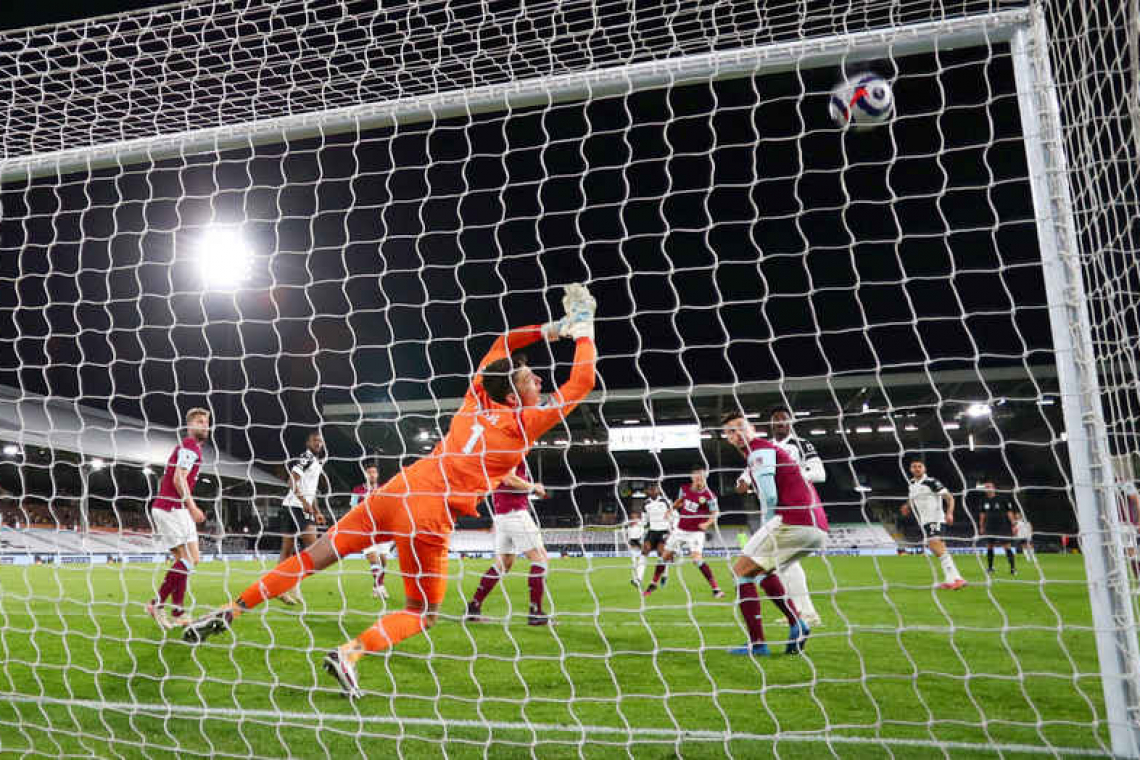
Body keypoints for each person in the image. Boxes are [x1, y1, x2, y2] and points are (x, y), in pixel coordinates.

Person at [183, 284, 597, 700]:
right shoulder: (525, 423)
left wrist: (554, 329)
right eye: (531, 377)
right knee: (423, 612)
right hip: (429, 514)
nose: (540, 379)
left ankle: (231, 609)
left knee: (312, 557)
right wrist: (584, 331)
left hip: (397, 490)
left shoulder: (477, 394)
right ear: (512, 395)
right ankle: (349, 653)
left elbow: (501, 342)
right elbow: (582, 380)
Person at [721, 410, 827, 656]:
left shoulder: (759, 450)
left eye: (740, 427)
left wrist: (768, 525)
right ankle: (797, 624)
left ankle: (759, 644)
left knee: (740, 572)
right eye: (730, 431)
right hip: (816, 526)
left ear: (753, 429)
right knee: (762, 571)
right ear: (727, 438)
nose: (736, 433)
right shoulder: (765, 451)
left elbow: (769, 495)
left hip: (794, 521)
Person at [464, 460, 553, 625]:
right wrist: (533, 487)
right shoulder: (514, 451)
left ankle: (473, 607)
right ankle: (536, 613)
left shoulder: (501, 451)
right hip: (515, 513)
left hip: (501, 515)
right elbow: (508, 479)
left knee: (503, 564)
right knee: (540, 558)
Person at [145, 408, 210, 630]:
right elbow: (178, 477)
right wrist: (192, 507)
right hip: (171, 507)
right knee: (186, 560)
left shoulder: (193, 448)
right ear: (190, 426)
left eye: (207, 422)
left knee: (191, 560)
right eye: (200, 422)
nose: (205, 425)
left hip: (176, 508)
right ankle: (161, 606)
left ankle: (176, 611)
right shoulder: (190, 445)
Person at [766, 405, 826, 626]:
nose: (780, 422)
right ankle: (800, 612)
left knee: (785, 562)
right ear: (771, 424)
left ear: (790, 423)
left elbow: (820, 474)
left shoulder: (801, 444)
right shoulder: (766, 447)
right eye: (776, 419)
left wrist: (792, 474)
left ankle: (805, 613)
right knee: (782, 563)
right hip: (776, 508)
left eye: (784, 419)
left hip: (799, 506)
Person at [643, 466, 723, 599]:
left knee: (696, 560)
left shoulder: (709, 495)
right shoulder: (684, 489)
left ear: (705, 478)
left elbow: (715, 513)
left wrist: (707, 524)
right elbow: (680, 501)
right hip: (680, 530)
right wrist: (670, 510)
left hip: (696, 532)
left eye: (701, 477)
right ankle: (653, 584)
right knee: (664, 557)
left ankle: (715, 588)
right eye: (696, 477)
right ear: (692, 477)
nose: (699, 480)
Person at [275, 430, 327, 605]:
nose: (318, 443)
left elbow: (311, 490)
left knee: (287, 550)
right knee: (314, 549)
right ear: (308, 442)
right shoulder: (306, 457)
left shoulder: (317, 461)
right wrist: (304, 502)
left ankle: (280, 588)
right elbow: (292, 481)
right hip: (296, 507)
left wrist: (317, 510)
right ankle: (292, 584)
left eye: (320, 441)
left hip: (294, 506)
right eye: (315, 440)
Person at [902, 457, 965, 590]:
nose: (917, 468)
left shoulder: (932, 482)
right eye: (914, 466)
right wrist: (907, 506)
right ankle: (953, 579)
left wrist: (949, 513)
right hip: (925, 521)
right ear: (910, 469)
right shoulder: (912, 484)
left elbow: (950, 498)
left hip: (935, 519)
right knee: (937, 549)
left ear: (924, 468)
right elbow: (912, 498)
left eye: (919, 466)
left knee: (936, 547)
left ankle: (956, 579)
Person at [351, 463, 391, 600]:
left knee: (384, 560)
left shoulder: (384, 489)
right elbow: (352, 509)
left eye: (374, 472)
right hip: (365, 530)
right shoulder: (357, 490)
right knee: (374, 559)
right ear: (365, 474)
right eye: (369, 472)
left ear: (377, 474)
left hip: (382, 530)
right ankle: (381, 588)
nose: (372, 475)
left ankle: (376, 586)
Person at [633, 484, 672, 590]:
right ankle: (638, 579)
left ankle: (665, 575)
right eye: (651, 489)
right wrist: (638, 524)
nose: (654, 491)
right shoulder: (646, 503)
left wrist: (672, 530)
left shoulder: (665, 502)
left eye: (656, 489)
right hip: (652, 531)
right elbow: (645, 520)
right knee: (644, 551)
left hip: (664, 531)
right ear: (648, 491)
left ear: (659, 490)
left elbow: (672, 515)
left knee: (661, 554)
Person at [976, 482, 1017, 576]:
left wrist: (1013, 524)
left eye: (989, 487)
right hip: (989, 527)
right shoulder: (983, 500)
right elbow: (982, 514)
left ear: (994, 488)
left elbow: (1009, 512)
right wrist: (981, 526)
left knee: (1007, 547)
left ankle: (1013, 568)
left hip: (1003, 527)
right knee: (989, 546)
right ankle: (990, 568)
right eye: (986, 487)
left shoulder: (1002, 498)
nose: (987, 488)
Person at [624, 510, 645, 587]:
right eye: (632, 516)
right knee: (634, 563)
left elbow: (641, 535)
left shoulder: (640, 524)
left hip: (639, 545)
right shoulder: (629, 525)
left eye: (635, 516)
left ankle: (638, 579)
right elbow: (627, 536)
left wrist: (640, 543)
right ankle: (635, 579)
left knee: (641, 562)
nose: (634, 517)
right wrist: (628, 542)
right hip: (632, 546)